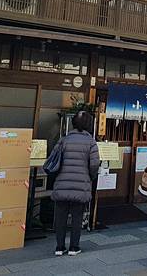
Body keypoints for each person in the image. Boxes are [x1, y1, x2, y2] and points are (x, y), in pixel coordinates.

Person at [51, 110, 99, 256]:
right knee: (77, 216)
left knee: (60, 217)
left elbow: (54, 159)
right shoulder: (91, 142)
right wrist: (90, 177)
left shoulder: (63, 140)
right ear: (89, 125)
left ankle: (59, 247)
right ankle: (74, 247)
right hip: (80, 184)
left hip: (62, 183)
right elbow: (94, 164)